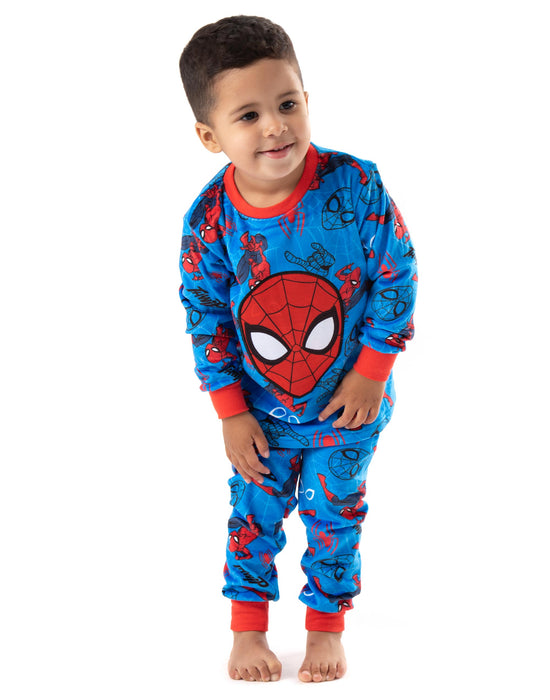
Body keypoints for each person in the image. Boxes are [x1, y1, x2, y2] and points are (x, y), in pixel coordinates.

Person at [178, 15, 417, 683]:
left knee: (335, 515)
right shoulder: (210, 222)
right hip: (260, 415)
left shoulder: (355, 186)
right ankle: (248, 631)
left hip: (348, 407)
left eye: (287, 104)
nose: (275, 127)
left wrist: (372, 371)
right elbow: (205, 319)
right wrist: (231, 410)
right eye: (248, 115)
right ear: (210, 136)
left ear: (307, 100)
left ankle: (324, 629)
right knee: (251, 516)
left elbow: (397, 273)